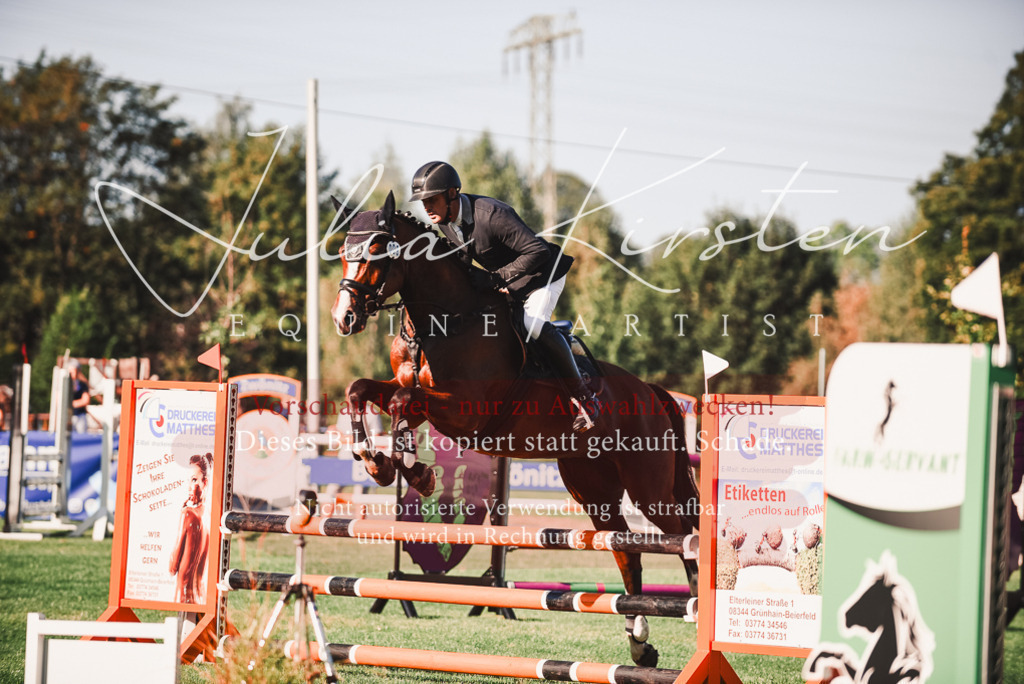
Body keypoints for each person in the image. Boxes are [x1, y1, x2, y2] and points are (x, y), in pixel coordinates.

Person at [410, 160, 600, 432]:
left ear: (452, 194)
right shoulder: (446, 221)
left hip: (544, 275)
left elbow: (538, 252)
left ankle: (585, 397)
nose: (427, 207)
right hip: (510, 279)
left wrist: (497, 278)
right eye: (423, 201)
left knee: (532, 325)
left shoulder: (492, 214)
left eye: (432, 199)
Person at [169, 452, 213, 605]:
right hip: (199, 597)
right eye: (187, 480)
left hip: (183, 596)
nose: (188, 487)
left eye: (194, 480)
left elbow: (172, 567)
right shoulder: (208, 515)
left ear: (204, 483)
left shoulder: (187, 514)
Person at [67, 359, 90, 433]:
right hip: (67, 416)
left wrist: (71, 404)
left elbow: (85, 400)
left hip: (80, 416)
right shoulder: (64, 384)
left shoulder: (82, 385)